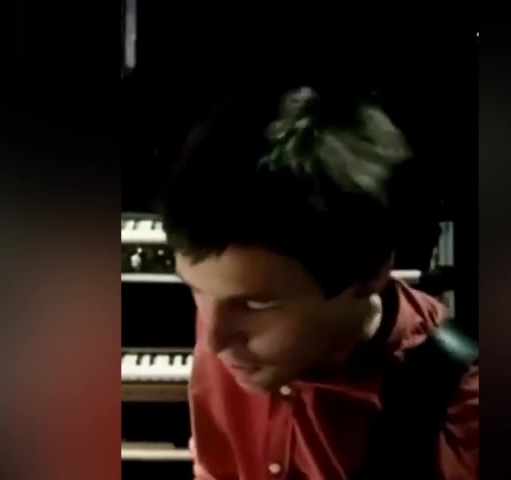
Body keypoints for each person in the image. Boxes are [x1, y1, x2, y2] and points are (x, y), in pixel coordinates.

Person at [157, 86, 479, 480]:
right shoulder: (227, 314)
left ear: (367, 275)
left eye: (257, 304)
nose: (214, 341)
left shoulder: (461, 416)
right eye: (196, 291)